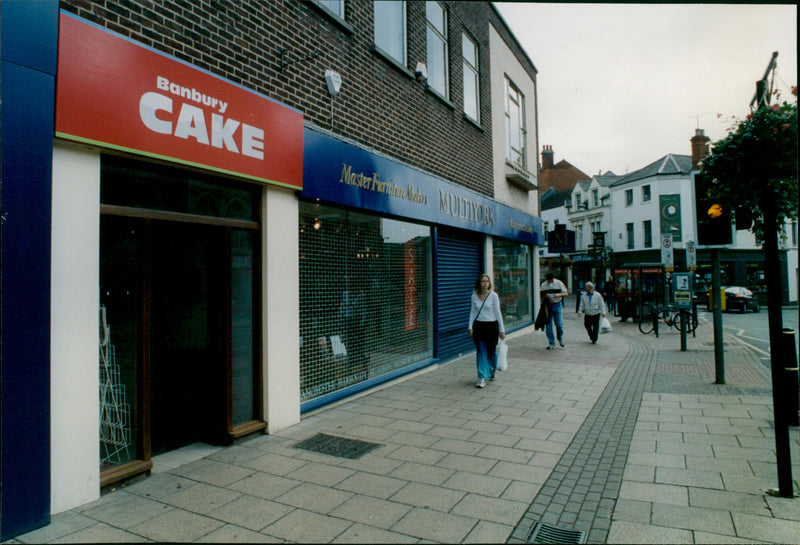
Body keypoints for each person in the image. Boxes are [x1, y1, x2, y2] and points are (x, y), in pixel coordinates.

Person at [468, 274, 505, 388]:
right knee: (481, 351)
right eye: (483, 281)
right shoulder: (474, 296)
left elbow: (498, 313)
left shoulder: (494, 296)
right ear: (479, 283)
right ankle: (481, 377)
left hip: (491, 326)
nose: (485, 283)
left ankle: (493, 370)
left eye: (487, 281)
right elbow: (473, 312)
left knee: (491, 352)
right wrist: (470, 327)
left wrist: (502, 329)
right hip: (479, 326)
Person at [540, 272, 568, 349]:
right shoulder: (543, 285)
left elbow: (566, 293)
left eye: (551, 280)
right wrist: (545, 296)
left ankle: (560, 338)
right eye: (548, 281)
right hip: (548, 305)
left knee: (559, 324)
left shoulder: (559, 283)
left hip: (557, 304)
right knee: (548, 326)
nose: (550, 282)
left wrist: (559, 295)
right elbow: (540, 295)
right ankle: (551, 343)